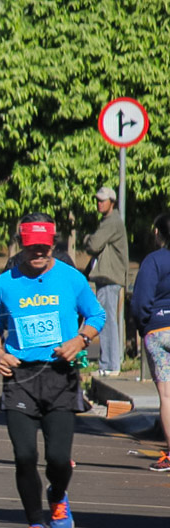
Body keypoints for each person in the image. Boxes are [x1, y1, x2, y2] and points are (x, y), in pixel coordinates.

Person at [0, 214, 105, 528]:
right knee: (24, 454)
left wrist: (80, 340)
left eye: (44, 245)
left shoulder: (71, 279)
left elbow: (97, 315)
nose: (38, 251)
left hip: (60, 376)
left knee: (57, 458)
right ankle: (36, 525)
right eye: (31, 245)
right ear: (22, 244)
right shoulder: (4, 283)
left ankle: (58, 494)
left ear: (53, 243)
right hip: (20, 375)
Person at [130, 212, 170, 472]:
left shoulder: (154, 261)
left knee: (167, 396)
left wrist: (145, 326)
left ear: (158, 233)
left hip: (160, 328)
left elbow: (141, 300)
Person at [84, 186, 129, 376]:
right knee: (107, 320)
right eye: (98, 200)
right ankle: (108, 364)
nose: (99, 203)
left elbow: (93, 244)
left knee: (106, 321)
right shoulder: (109, 221)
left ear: (112, 202)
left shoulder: (111, 222)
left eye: (103, 200)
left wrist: (87, 238)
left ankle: (110, 366)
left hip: (110, 278)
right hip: (107, 278)